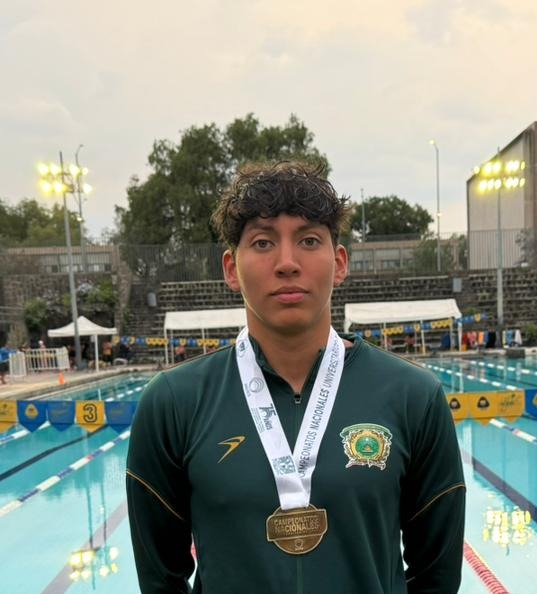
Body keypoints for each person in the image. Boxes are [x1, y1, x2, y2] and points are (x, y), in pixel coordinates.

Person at [126, 162, 465, 594]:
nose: (287, 263)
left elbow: (436, 576)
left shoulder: (413, 396)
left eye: (308, 240)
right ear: (231, 268)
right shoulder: (174, 403)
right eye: (263, 242)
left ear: (339, 262)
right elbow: (161, 581)